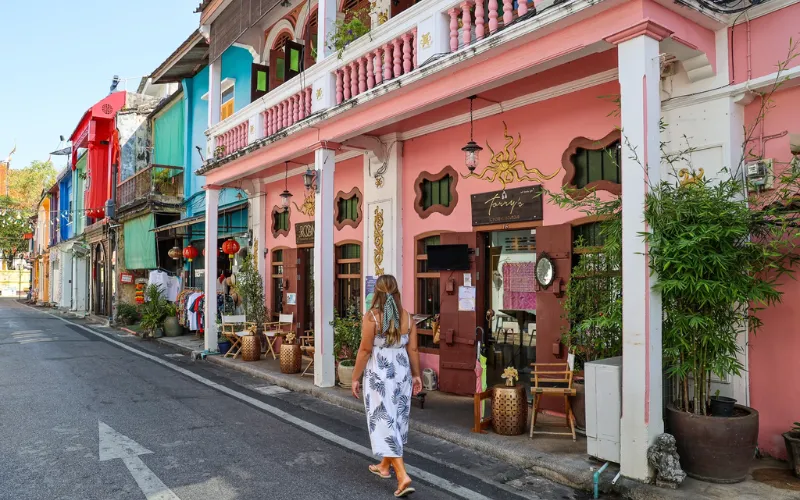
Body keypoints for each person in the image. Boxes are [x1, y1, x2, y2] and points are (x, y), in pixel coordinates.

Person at [351, 274, 422, 498]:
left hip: (380, 374)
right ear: (397, 292)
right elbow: (413, 350)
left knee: (384, 419)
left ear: (377, 293)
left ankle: (402, 476)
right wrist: (417, 375)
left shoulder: (372, 317)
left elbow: (364, 351)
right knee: (396, 419)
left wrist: (354, 377)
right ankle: (384, 466)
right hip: (401, 373)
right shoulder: (408, 318)